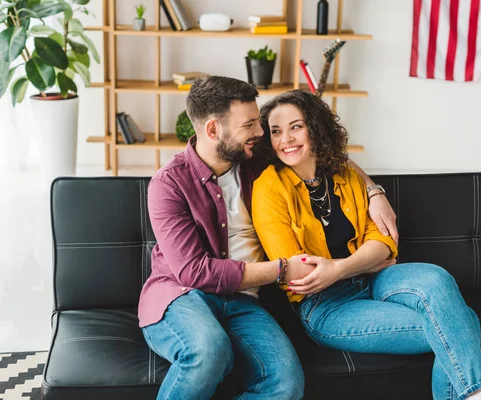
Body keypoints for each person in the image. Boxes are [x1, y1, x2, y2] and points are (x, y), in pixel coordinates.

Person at [138, 76, 398, 399]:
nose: (262, 133)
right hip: (184, 295)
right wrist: (282, 269)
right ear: (213, 130)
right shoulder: (168, 185)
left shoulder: (254, 160)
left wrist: (373, 191)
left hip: (244, 301)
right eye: (250, 125)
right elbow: (195, 272)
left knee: (286, 384)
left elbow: (325, 155)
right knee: (208, 351)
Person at [251, 89, 481, 400]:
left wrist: (340, 267)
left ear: (315, 127)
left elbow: (383, 240)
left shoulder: (343, 173)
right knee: (462, 322)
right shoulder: (269, 188)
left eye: (296, 126)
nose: (286, 139)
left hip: (375, 279)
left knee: (436, 278)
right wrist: (362, 260)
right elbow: (299, 273)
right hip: (328, 306)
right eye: (276, 131)